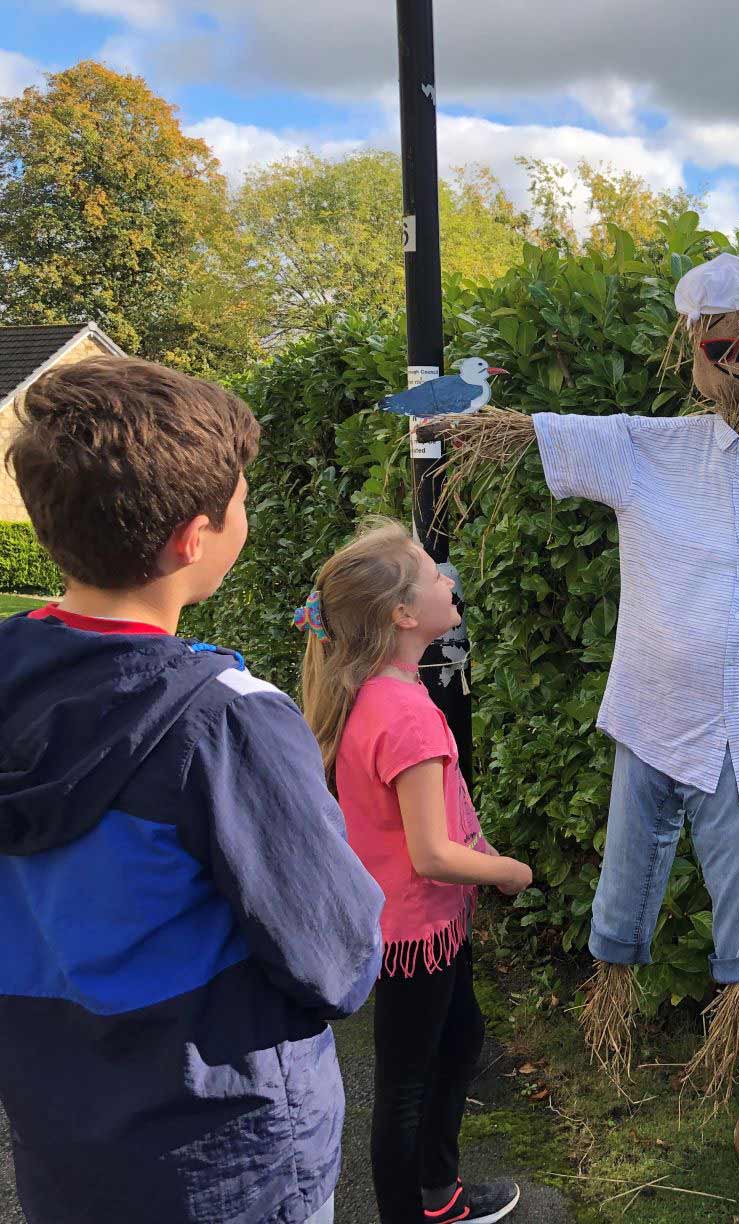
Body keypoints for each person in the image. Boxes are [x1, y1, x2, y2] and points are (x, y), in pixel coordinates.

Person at [0, 356, 384, 1223]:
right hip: (228, 1161)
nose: (247, 512)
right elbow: (336, 961)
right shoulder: (226, 721)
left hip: (62, 1141)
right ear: (191, 537)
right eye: (241, 499)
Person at [299, 519, 533, 1224]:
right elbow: (432, 853)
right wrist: (507, 870)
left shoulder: (375, 691)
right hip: (414, 931)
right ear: (404, 615)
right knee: (404, 1086)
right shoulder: (407, 714)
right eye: (434, 573)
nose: (448, 578)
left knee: (459, 1041)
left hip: (420, 924)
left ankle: (438, 1193)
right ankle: (416, 1208)